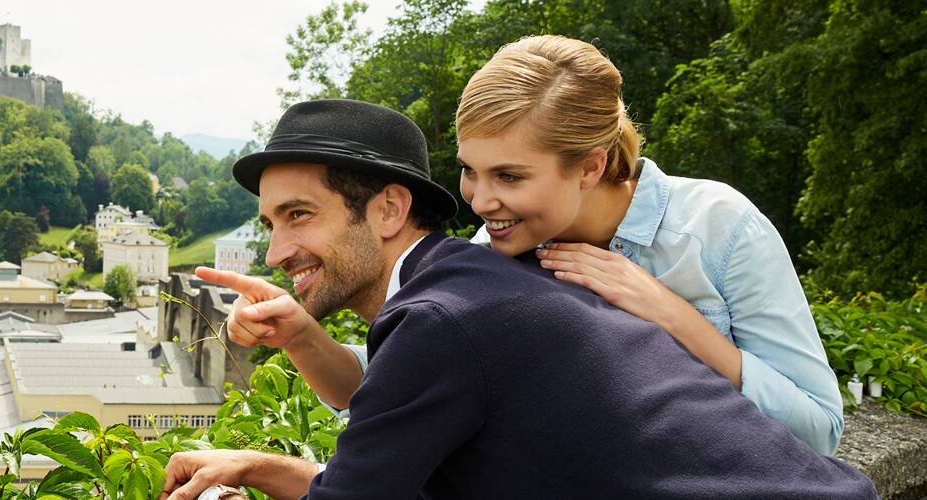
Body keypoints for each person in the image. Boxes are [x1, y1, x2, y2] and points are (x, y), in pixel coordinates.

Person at [159, 98, 874, 499]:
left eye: (300, 216)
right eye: (272, 224)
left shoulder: (439, 318)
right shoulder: (481, 284)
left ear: (386, 211)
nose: (278, 254)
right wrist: (256, 465)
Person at [220, 34, 842, 455]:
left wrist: (672, 316)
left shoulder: (718, 228)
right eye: (470, 171)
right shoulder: (502, 250)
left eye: (510, 177)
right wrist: (302, 335)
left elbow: (820, 431)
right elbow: (404, 385)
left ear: (591, 166)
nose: (480, 202)